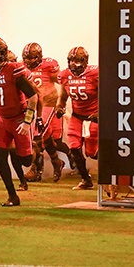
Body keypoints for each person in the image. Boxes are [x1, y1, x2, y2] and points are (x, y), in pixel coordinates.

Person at [0, 37, 39, 207]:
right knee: (0, 156)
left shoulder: (13, 70)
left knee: (26, 160)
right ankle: (12, 195)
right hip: (1, 121)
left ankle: (32, 154)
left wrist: (27, 122)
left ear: (3, 55)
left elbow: (33, 97)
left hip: (20, 118)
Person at [21, 42, 65, 184]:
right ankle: (56, 161)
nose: (28, 61)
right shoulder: (20, 66)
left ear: (39, 57)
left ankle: (35, 170)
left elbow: (63, 82)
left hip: (48, 103)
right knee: (45, 137)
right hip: (31, 105)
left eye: (32, 58)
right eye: (26, 58)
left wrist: (62, 102)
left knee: (36, 134)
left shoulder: (49, 66)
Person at [56, 46, 98, 190]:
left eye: (77, 61)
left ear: (85, 62)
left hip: (93, 116)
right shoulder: (65, 75)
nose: (74, 64)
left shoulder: (95, 73)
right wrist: (60, 107)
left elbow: (106, 94)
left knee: (92, 153)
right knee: (74, 147)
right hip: (77, 116)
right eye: (71, 61)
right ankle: (85, 179)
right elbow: (62, 96)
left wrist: (101, 113)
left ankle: (116, 165)